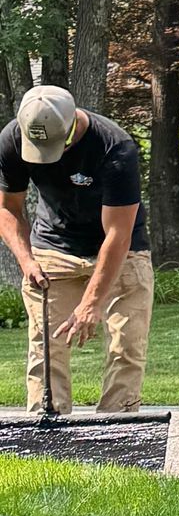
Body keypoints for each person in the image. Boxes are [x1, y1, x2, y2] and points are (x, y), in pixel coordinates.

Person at [0, 84, 156, 418]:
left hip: (121, 250)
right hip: (53, 248)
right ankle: (48, 439)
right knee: (46, 347)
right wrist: (26, 259)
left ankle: (118, 434)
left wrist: (91, 304)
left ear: (72, 125)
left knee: (125, 346)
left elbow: (117, 234)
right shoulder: (13, 138)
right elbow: (8, 207)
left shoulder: (114, 147)